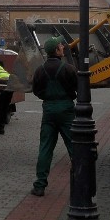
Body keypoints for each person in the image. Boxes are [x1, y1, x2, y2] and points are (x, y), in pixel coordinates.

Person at [30, 36, 77, 197]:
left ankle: (40, 185)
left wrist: (47, 97)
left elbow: (36, 90)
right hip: (66, 110)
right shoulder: (68, 69)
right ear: (56, 50)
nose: (63, 47)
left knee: (45, 148)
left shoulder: (40, 70)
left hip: (48, 110)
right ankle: (80, 181)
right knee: (74, 147)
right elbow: (77, 87)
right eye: (60, 46)